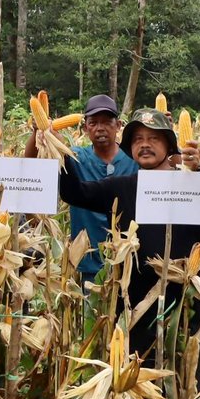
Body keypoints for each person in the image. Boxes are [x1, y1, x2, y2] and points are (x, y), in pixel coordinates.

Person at [56, 107, 200, 399]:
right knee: (140, 384)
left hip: (188, 301)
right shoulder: (125, 186)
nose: (144, 145)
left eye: (153, 139)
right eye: (138, 140)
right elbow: (75, 192)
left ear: (169, 145)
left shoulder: (191, 180)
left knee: (194, 381)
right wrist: (55, 146)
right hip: (137, 304)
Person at [63, 95, 137, 286]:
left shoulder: (135, 159)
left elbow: (170, 171)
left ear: (118, 125)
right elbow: (31, 163)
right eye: (94, 123)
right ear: (85, 128)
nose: (100, 128)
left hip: (129, 263)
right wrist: (40, 133)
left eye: (107, 122)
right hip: (88, 263)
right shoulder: (74, 157)